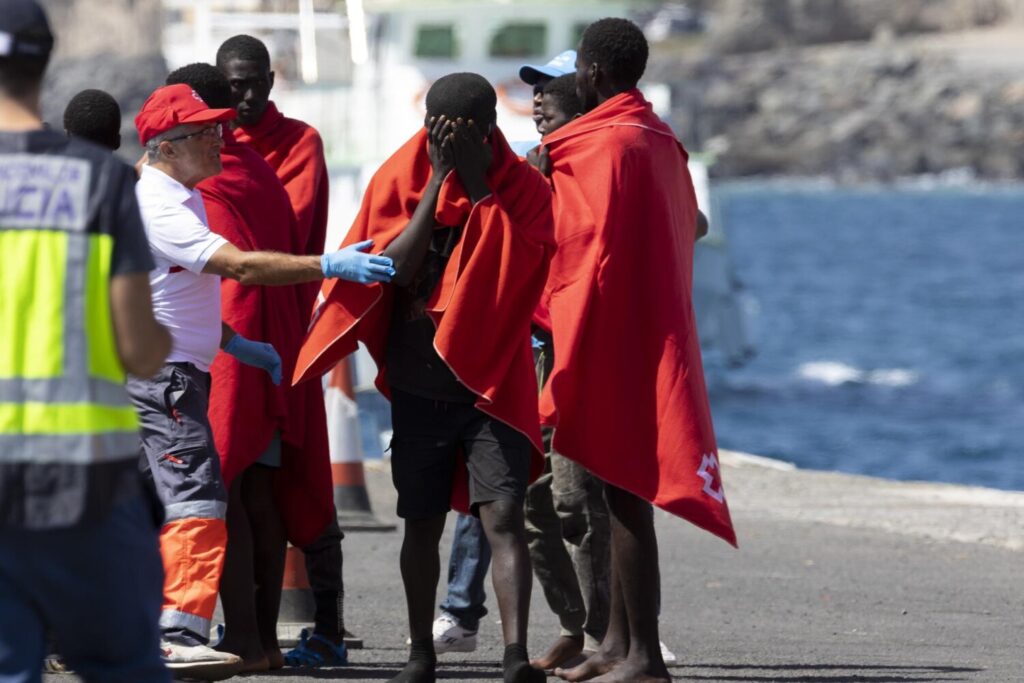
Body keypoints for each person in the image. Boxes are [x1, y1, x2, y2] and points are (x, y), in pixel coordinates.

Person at [293, 73, 555, 683]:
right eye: (446, 133)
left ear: (493, 128)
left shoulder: (520, 187)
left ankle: (515, 656)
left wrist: (482, 189)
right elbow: (391, 267)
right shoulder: (400, 177)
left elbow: (521, 273)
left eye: (475, 132)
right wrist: (440, 180)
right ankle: (419, 652)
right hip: (420, 385)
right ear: (431, 131)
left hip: (493, 384)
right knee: (423, 522)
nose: (463, 140)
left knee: (504, 516)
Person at [130, 82, 393, 680]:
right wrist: (328, 264)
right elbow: (239, 265)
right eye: (205, 133)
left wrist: (234, 343)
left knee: (148, 503)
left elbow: (172, 295)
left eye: (218, 128)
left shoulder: (180, 193)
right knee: (198, 495)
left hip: (172, 373)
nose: (220, 139)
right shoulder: (161, 204)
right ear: (167, 147)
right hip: (165, 380)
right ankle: (177, 632)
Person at [540, 19, 737, 683]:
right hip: (651, 329)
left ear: (593, 72)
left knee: (626, 491)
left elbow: (581, 238)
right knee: (608, 478)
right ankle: (616, 642)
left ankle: (646, 658)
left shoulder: (612, 140)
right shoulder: (656, 135)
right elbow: (686, 222)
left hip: (621, 336)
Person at [0, 2, 172, 681]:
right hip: (86, 483)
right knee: (122, 663)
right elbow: (138, 347)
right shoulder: (98, 177)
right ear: (46, 61)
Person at [164, 61, 326, 673]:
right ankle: (263, 643)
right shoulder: (255, 167)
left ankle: (245, 641)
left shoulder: (209, 175)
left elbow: (234, 269)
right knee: (256, 496)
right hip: (267, 345)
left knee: (223, 494)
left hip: (229, 352)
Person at [430, 54, 587, 665]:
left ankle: (608, 629)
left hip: (575, 349)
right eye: (535, 90)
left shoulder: (593, 166)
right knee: (512, 493)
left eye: (552, 90)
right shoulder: (525, 166)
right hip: (525, 345)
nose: (539, 100)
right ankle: (570, 625)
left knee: (577, 500)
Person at [216, 34, 350, 666]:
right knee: (235, 481)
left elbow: (284, 240)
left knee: (285, 476)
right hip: (220, 333)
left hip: (279, 328)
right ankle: (240, 628)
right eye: (232, 85)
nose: (245, 97)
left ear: (271, 80)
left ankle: (311, 626)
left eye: (254, 83)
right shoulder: (208, 146)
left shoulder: (299, 142)